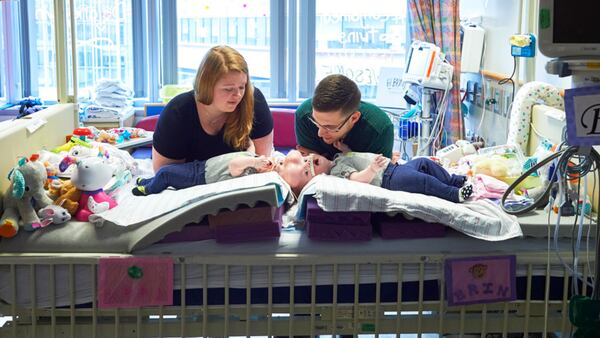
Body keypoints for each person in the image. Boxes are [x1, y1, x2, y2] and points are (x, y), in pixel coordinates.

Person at [151, 45, 274, 173]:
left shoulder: (254, 101)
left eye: (242, 87)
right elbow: (163, 175)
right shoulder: (177, 113)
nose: (238, 95)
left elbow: (263, 165)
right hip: (189, 187)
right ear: (206, 86)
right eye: (228, 89)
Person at [131, 150, 331, 198]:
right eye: (307, 158)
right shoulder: (272, 163)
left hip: (202, 176)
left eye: (306, 170)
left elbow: (235, 166)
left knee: (166, 174)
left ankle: (147, 188)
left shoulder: (267, 179)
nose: (304, 160)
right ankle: (148, 179)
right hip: (204, 165)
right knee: (167, 173)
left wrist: (253, 162)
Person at [295, 74, 394, 160]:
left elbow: (379, 176)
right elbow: (309, 168)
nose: (320, 133)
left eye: (329, 127)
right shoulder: (304, 115)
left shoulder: (379, 128)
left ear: (354, 118)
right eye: (315, 122)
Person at [316, 152, 474, 203]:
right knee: (423, 180)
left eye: (309, 157)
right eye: (313, 164)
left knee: (424, 162)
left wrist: (343, 148)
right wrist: (372, 169)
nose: (310, 160)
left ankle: (454, 181)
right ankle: (454, 194)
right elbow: (356, 179)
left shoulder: (338, 158)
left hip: (395, 168)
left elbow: (355, 157)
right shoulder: (336, 171)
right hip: (389, 179)